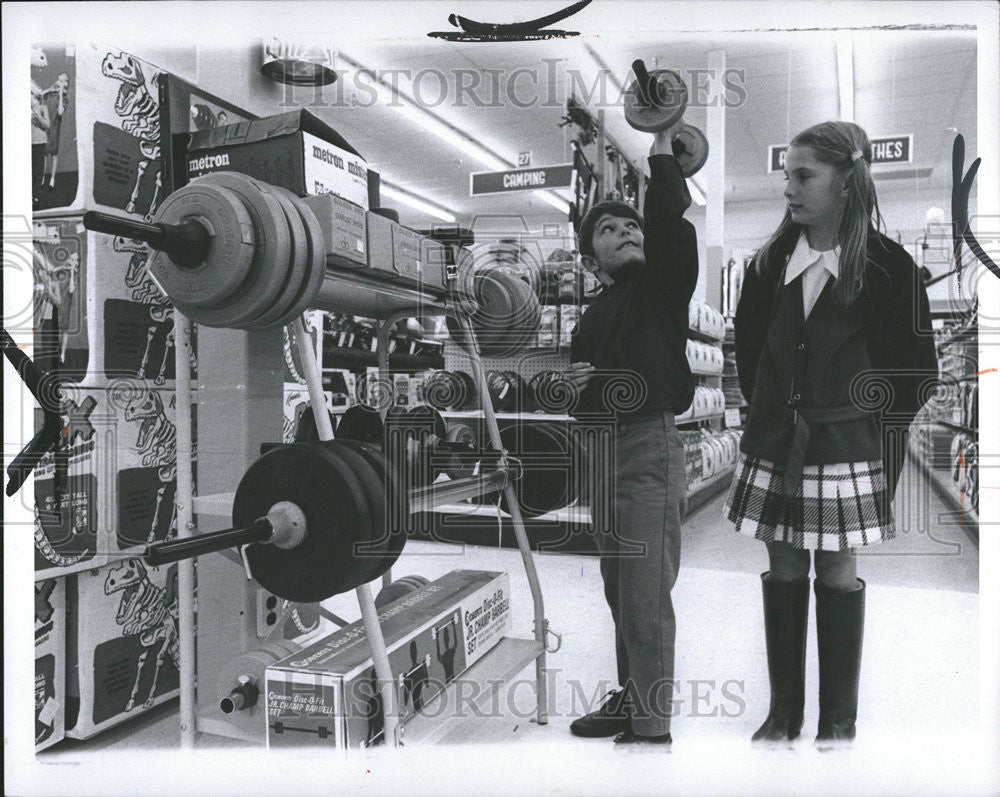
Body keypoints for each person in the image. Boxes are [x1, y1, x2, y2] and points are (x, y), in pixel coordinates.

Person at [725, 121, 937, 745]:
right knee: (784, 566)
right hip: (775, 442)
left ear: (847, 181)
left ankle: (838, 719)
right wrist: (767, 413)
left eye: (803, 176)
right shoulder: (768, 264)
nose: (788, 188)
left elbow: (915, 375)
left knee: (837, 573)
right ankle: (785, 710)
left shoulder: (890, 268)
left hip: (846, 447)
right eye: (786, 175)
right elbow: (749, 351)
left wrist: (877, 447)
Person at [566, 117, 698, 746]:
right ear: (591, 256)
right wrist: (566, 390)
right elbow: (577, 390)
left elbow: (670, 226)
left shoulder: (661, 288)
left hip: (649, 448)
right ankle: (629, 698)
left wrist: (663, 146)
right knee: (619, 587)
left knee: (646, 593)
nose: (625, 232)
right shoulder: (594, 312)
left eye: (631, 225)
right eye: (609, 229)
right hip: (602, 453)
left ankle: (651, 730)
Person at [41, 73, 70, 192]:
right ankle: (42, 178)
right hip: (45, 127)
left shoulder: (65, 99)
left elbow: (60, 112)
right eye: (58, 80)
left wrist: (60, 93)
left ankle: (52, 179)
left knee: (54, 155)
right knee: (43, 154)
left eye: (62, 81)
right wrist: (51, 87)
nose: (59, 82)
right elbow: (40, 95)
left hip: (55, 128)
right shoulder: (49, 95)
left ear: (66, 84)